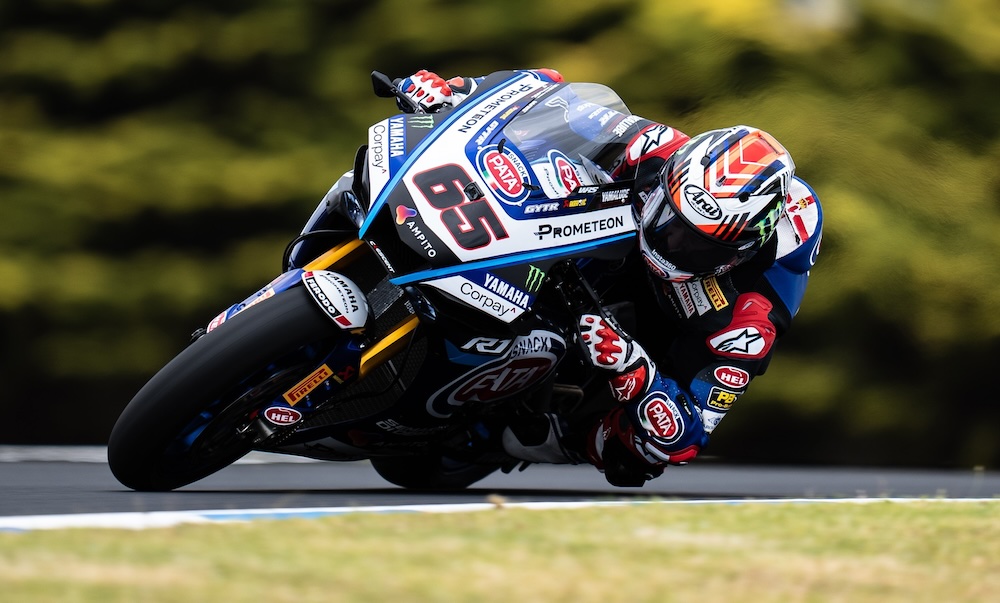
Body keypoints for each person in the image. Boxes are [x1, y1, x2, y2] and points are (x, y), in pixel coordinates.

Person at [395, 69, 823, 486]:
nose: (672, 243)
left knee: (642, 455)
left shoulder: (751, 317)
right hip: (609, 248)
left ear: (742, 251)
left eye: (699, 245)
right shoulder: (659, 149)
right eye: (669, 218)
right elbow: (551, 97)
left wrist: (631, 365)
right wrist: (458, 92)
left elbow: (686, 437)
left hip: (672, 326)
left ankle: (534, 439)